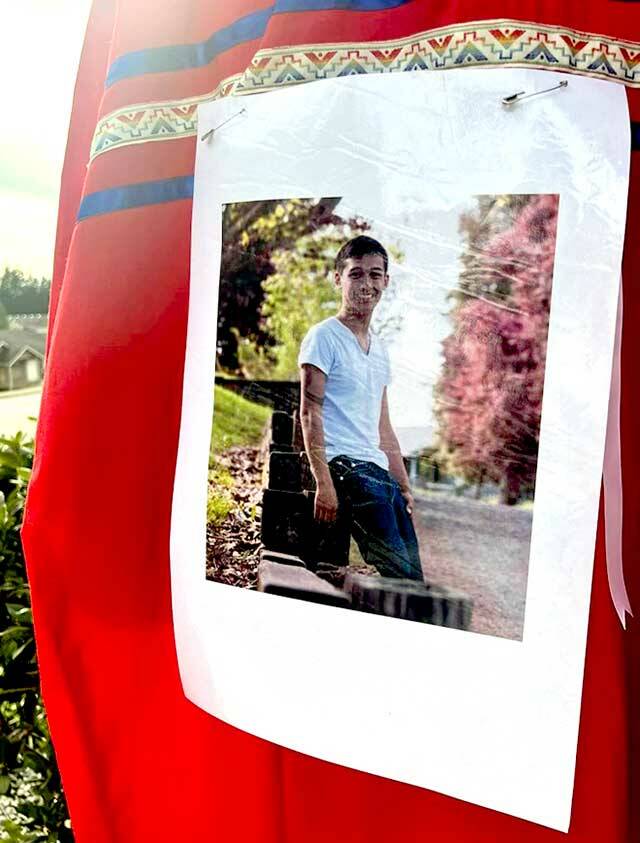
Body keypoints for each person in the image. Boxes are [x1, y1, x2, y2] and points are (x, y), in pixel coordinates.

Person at [298, 235, 423, 581]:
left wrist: (403, 486)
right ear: (338, 279)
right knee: (402, 574)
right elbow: (309, 412)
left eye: (374, 274)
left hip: (377, 474)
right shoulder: (323, 337)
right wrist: (323, 483)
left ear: (386, 281)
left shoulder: (380, 350)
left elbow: (383, 426)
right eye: (356, 274)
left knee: (414, 577)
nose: (366, 284)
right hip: (344, 467)